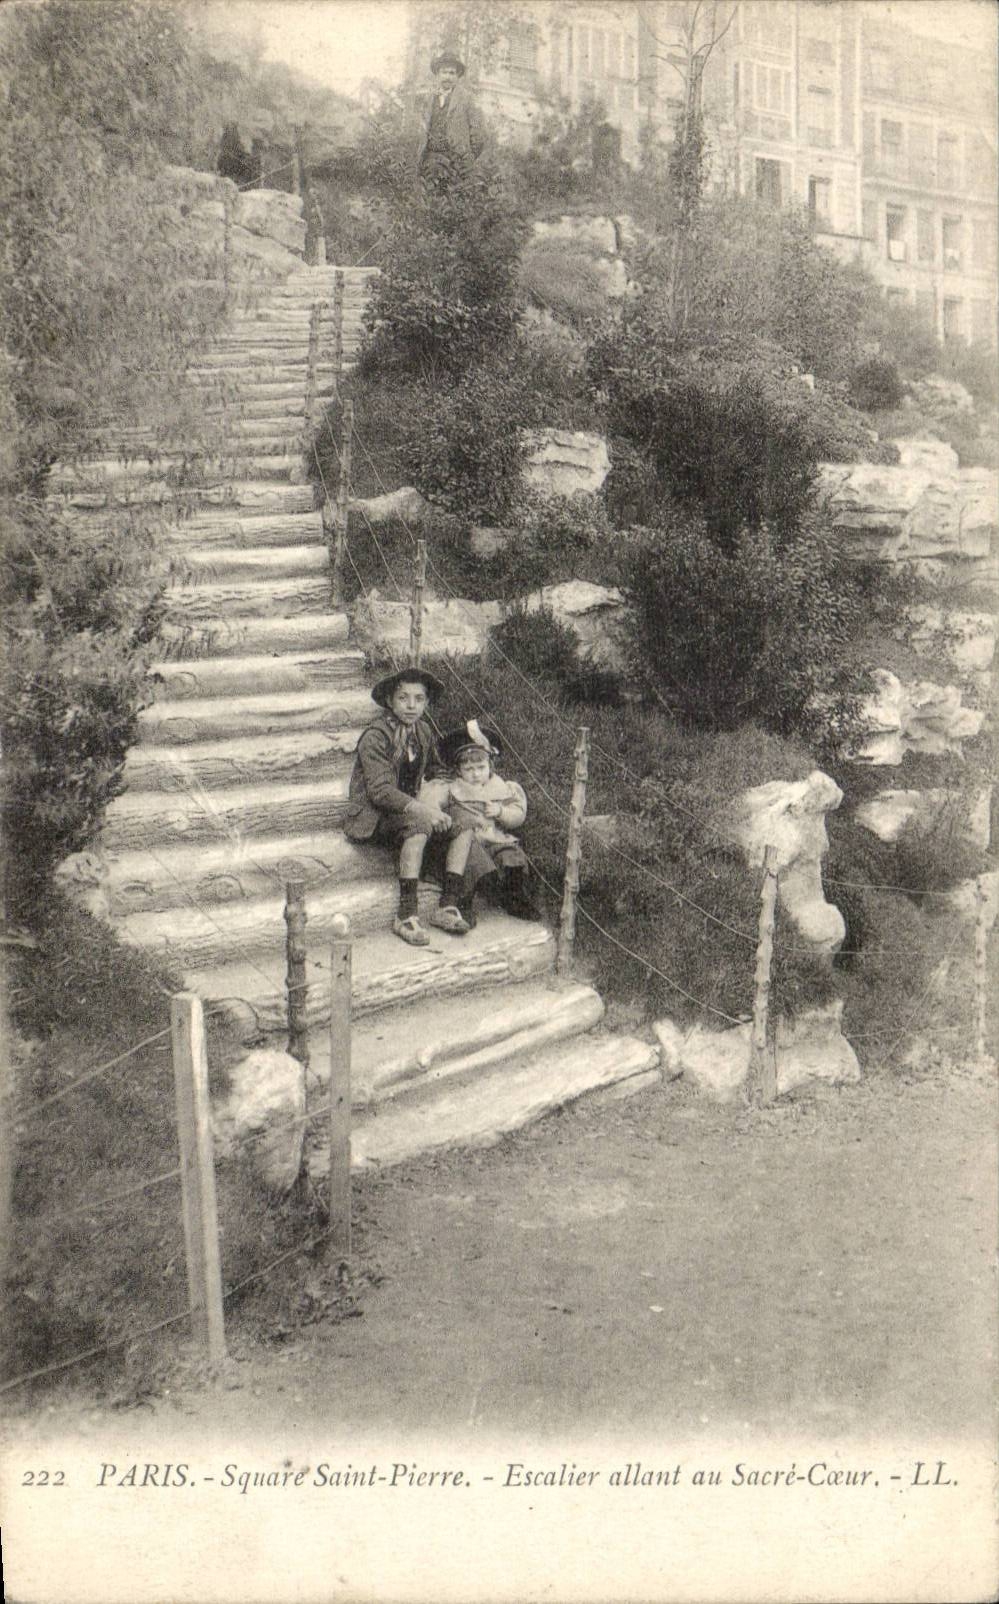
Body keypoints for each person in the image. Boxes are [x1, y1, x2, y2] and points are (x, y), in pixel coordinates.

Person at [344, 668, 496, 946]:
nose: (412, 706)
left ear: (426, 703)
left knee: (464, 821)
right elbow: (380, 792)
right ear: (390, 701)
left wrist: (453, 786)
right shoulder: (375, 737)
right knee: (420, 824)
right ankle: (406, 914)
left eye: (419, 699)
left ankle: (447, 904)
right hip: (374, 815)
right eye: (404, 698)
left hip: (407, 810)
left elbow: (435, 768)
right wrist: (424, 810)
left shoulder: (422, 731)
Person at [421, 721, 539, 921]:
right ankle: (464, 902)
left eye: (481, 767)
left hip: (494, 837)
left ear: (490, 766)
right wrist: (438, 812)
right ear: (458, 770)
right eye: (468, 769)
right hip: (470, 841)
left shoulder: (501, 787)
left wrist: (501, 811)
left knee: (512, 855)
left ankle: (515, 897)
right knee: (472, 862)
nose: (475, 774)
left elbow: (517, 813)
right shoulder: (451, 787)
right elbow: (430, 801)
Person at [416, 51, 484, 187]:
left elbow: (478, 135)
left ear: (458, 76)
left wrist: (466, 159)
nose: (448, 77)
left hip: (456, 163)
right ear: (437, 74)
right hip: (430, 159)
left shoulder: (467, 99)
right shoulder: (429, 98)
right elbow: (423, 130)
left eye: (452, 73)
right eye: (444, 72)